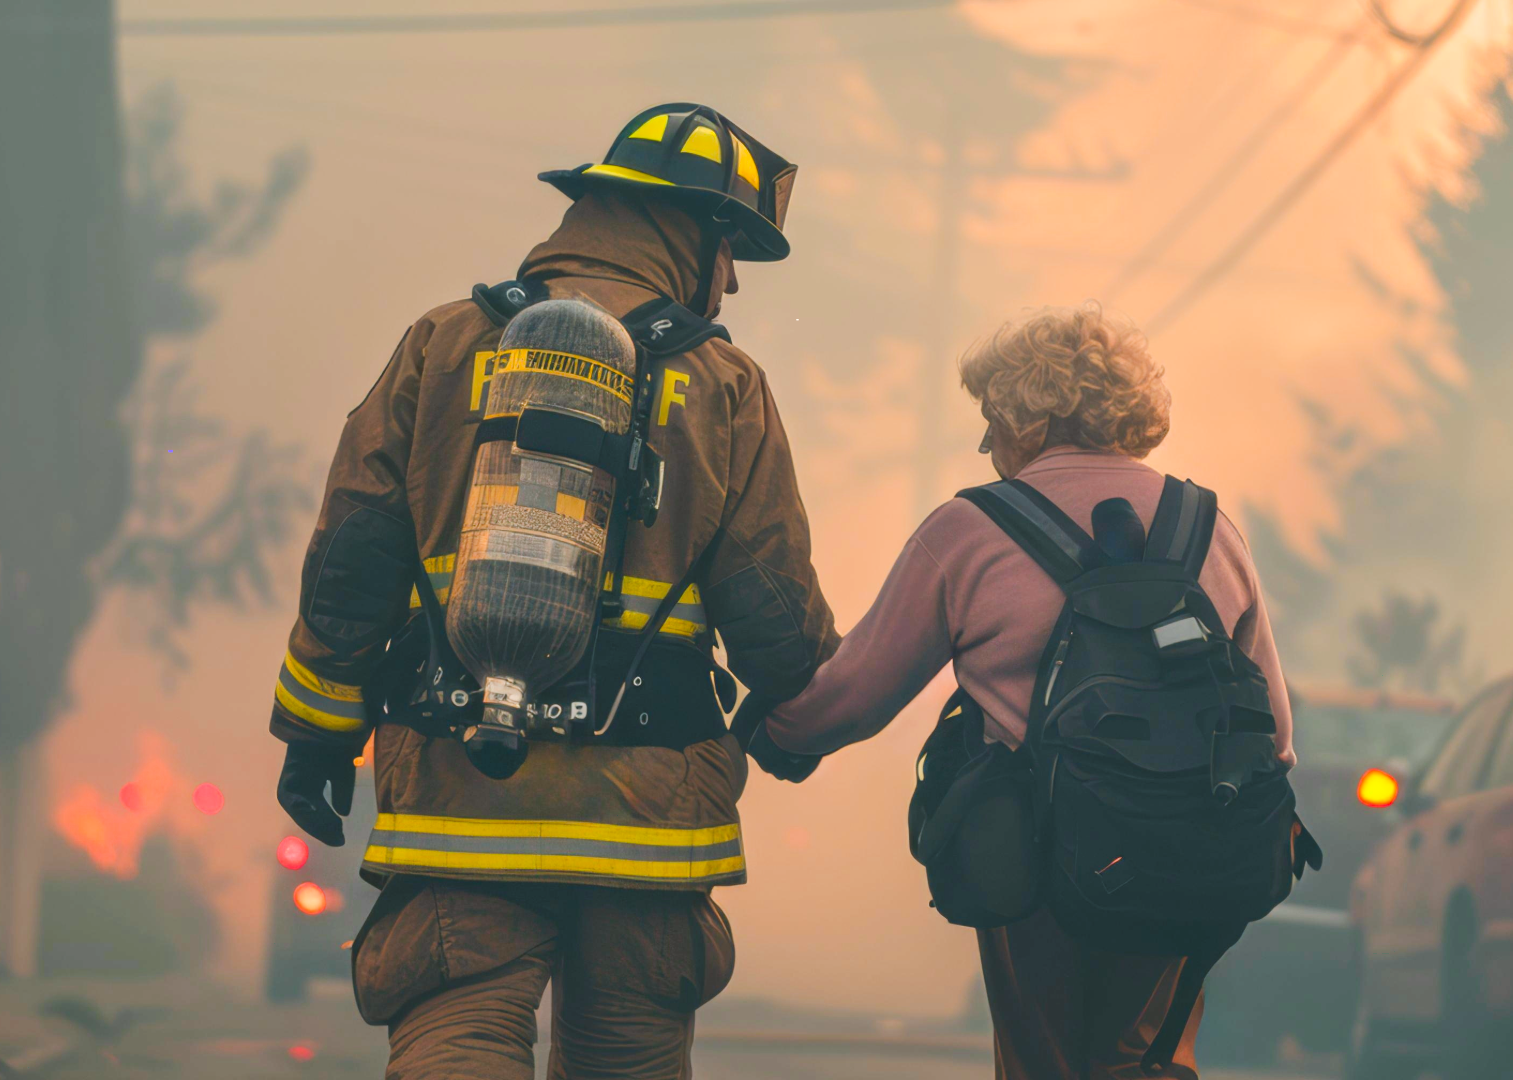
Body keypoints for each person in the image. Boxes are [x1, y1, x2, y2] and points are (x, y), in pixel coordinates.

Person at [266, 103, 837, 1079]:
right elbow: (773, 608)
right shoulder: (723, 384)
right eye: (731, 246)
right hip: (646, 813)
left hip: (461, 780)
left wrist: (317, 732)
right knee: (627, 1051)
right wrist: (802, 718)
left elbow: (352, 561)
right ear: (689, 233)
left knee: (459, 1032)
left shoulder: (441, 346)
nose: (734, 276)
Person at [754, 304, 1295, 1079]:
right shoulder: (1210, 527)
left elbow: (858, 690)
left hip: (1040, 858)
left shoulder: (970, 530)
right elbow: (1272, 729)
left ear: (1028, 416)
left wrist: (781, 734)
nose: (983, 442)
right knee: (1145, 1058)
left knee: (1045, 1063)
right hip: (1190, 852)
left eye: (990, 418)